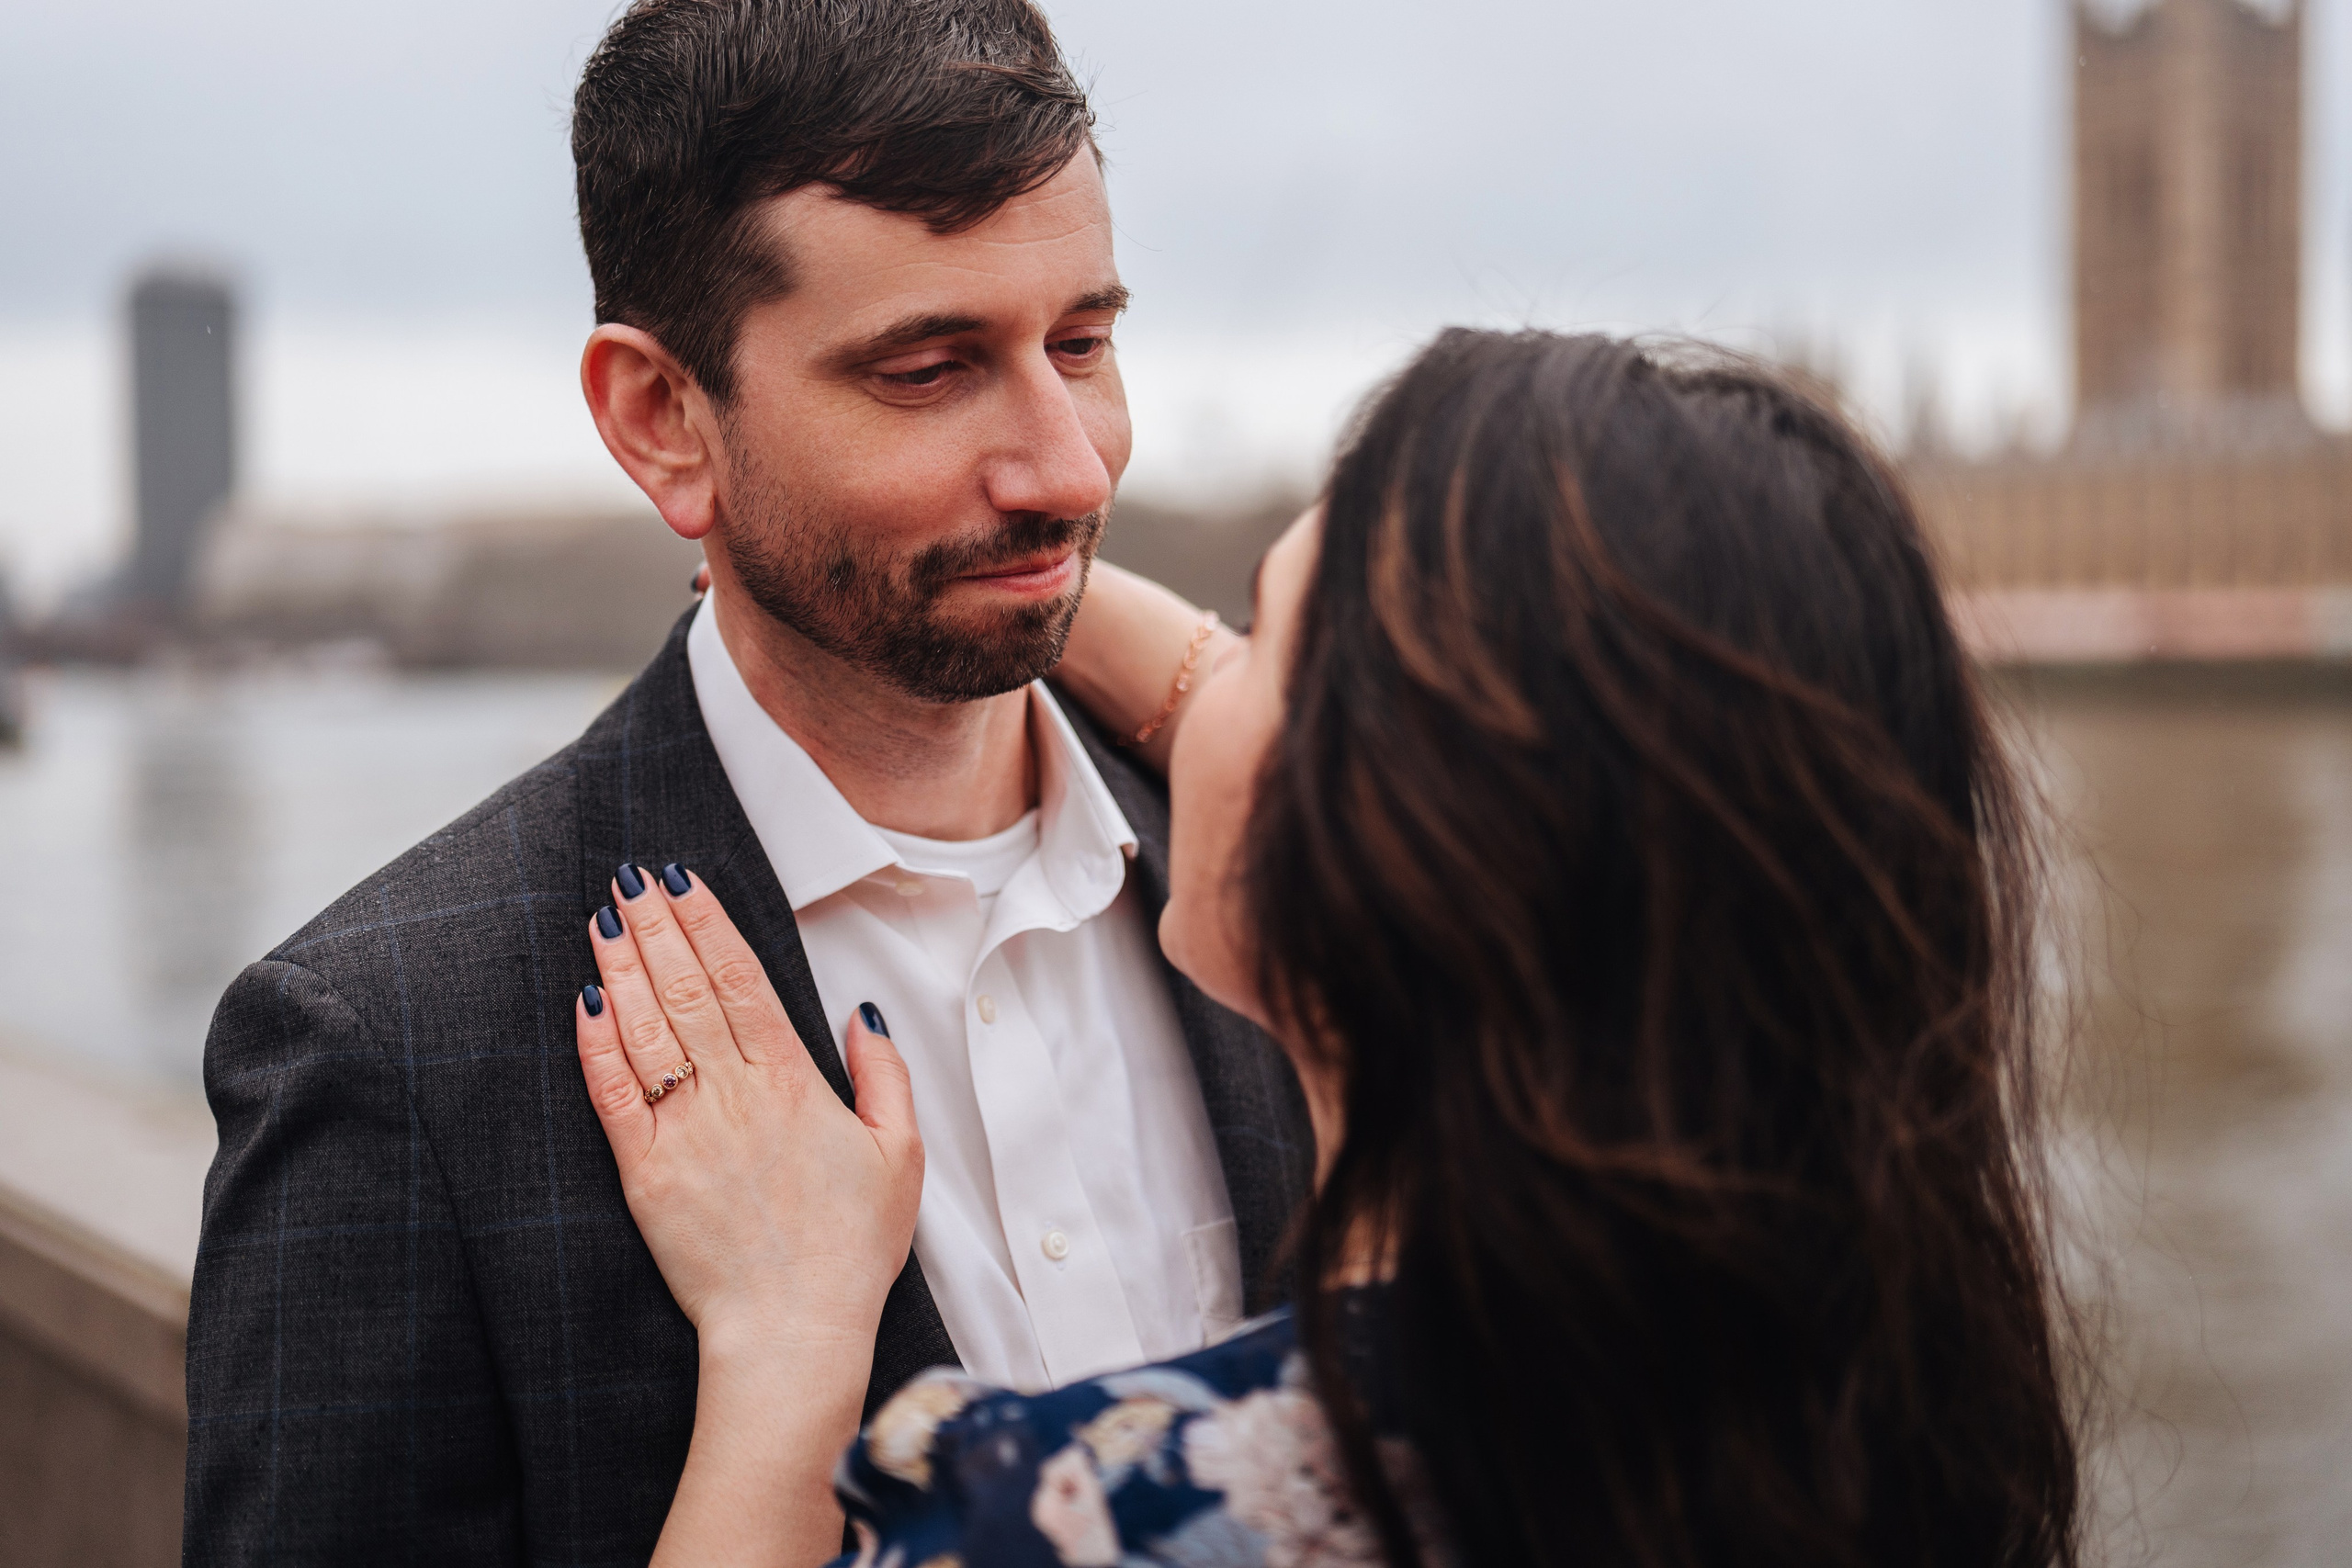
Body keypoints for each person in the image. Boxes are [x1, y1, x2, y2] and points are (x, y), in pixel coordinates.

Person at [571, 329, 2086, 1566]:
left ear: (1394, 836)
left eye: (1260, 637)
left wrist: (783, 1345)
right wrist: (991, 574)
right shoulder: (1887, 1430)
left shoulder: (1073, 1523)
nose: (1193, 681)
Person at [182, 3, 1312, 1561]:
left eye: (1083, 344)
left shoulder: (1293, 880)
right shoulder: (390, 1050)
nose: (1070, 468)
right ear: (664, 419)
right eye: (929, 368)